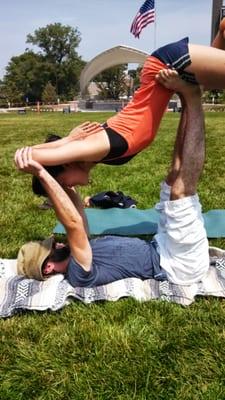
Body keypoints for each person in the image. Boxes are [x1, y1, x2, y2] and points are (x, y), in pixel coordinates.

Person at [15, 73, 209, 287]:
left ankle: (186, 98)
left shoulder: (82, 250)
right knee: (180, 192)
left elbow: (77, 210)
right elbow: (73, 224)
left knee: (174, 177)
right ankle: (194, 97)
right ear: (47, 267)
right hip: (179, 265)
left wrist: (58, 180)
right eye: (52, 248)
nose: (58, 244)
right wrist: (42, 174)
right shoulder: (79, 272)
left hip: (163, 244)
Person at [15, 18, 225, 181]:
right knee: (215, 78)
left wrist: (68, 141)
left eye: (62, 182)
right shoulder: (97, 154)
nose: (68, 188)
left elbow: (26, 155)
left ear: (67, 165)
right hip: (166, 71)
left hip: (167, 66)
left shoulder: (92, 147)